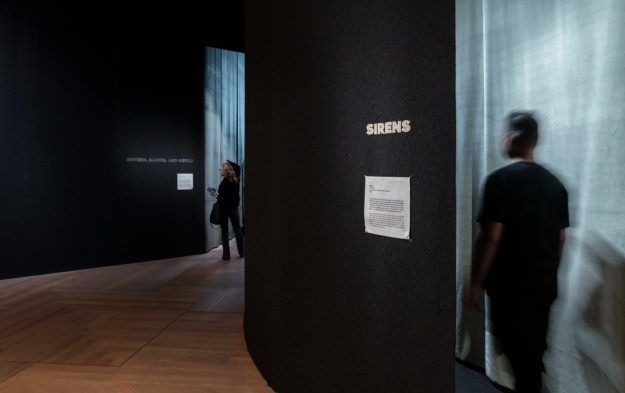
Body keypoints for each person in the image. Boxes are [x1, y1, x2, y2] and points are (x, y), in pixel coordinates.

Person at [468, 111, 569, 393]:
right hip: (543, 288)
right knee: (531, 358)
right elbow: (561, 239)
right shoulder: (556, 184)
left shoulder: (499, 181)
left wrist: (475, 282)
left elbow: (491, 239)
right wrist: (548, 273)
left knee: (521, 362)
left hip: (510, 290)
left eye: (505, 134)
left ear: (511, 138)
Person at [214, 161, 244, 261]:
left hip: (224, 210)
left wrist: (215, 195)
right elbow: (238, 167)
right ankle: (242, 252)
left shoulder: (223, 183)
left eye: (221, 169)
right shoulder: (236, 181)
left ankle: (226, 256)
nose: (220, 171)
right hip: (233, 209)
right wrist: (227, 162)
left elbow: (222, 199)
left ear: (224, 171)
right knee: (238, 231)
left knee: (224, 233)